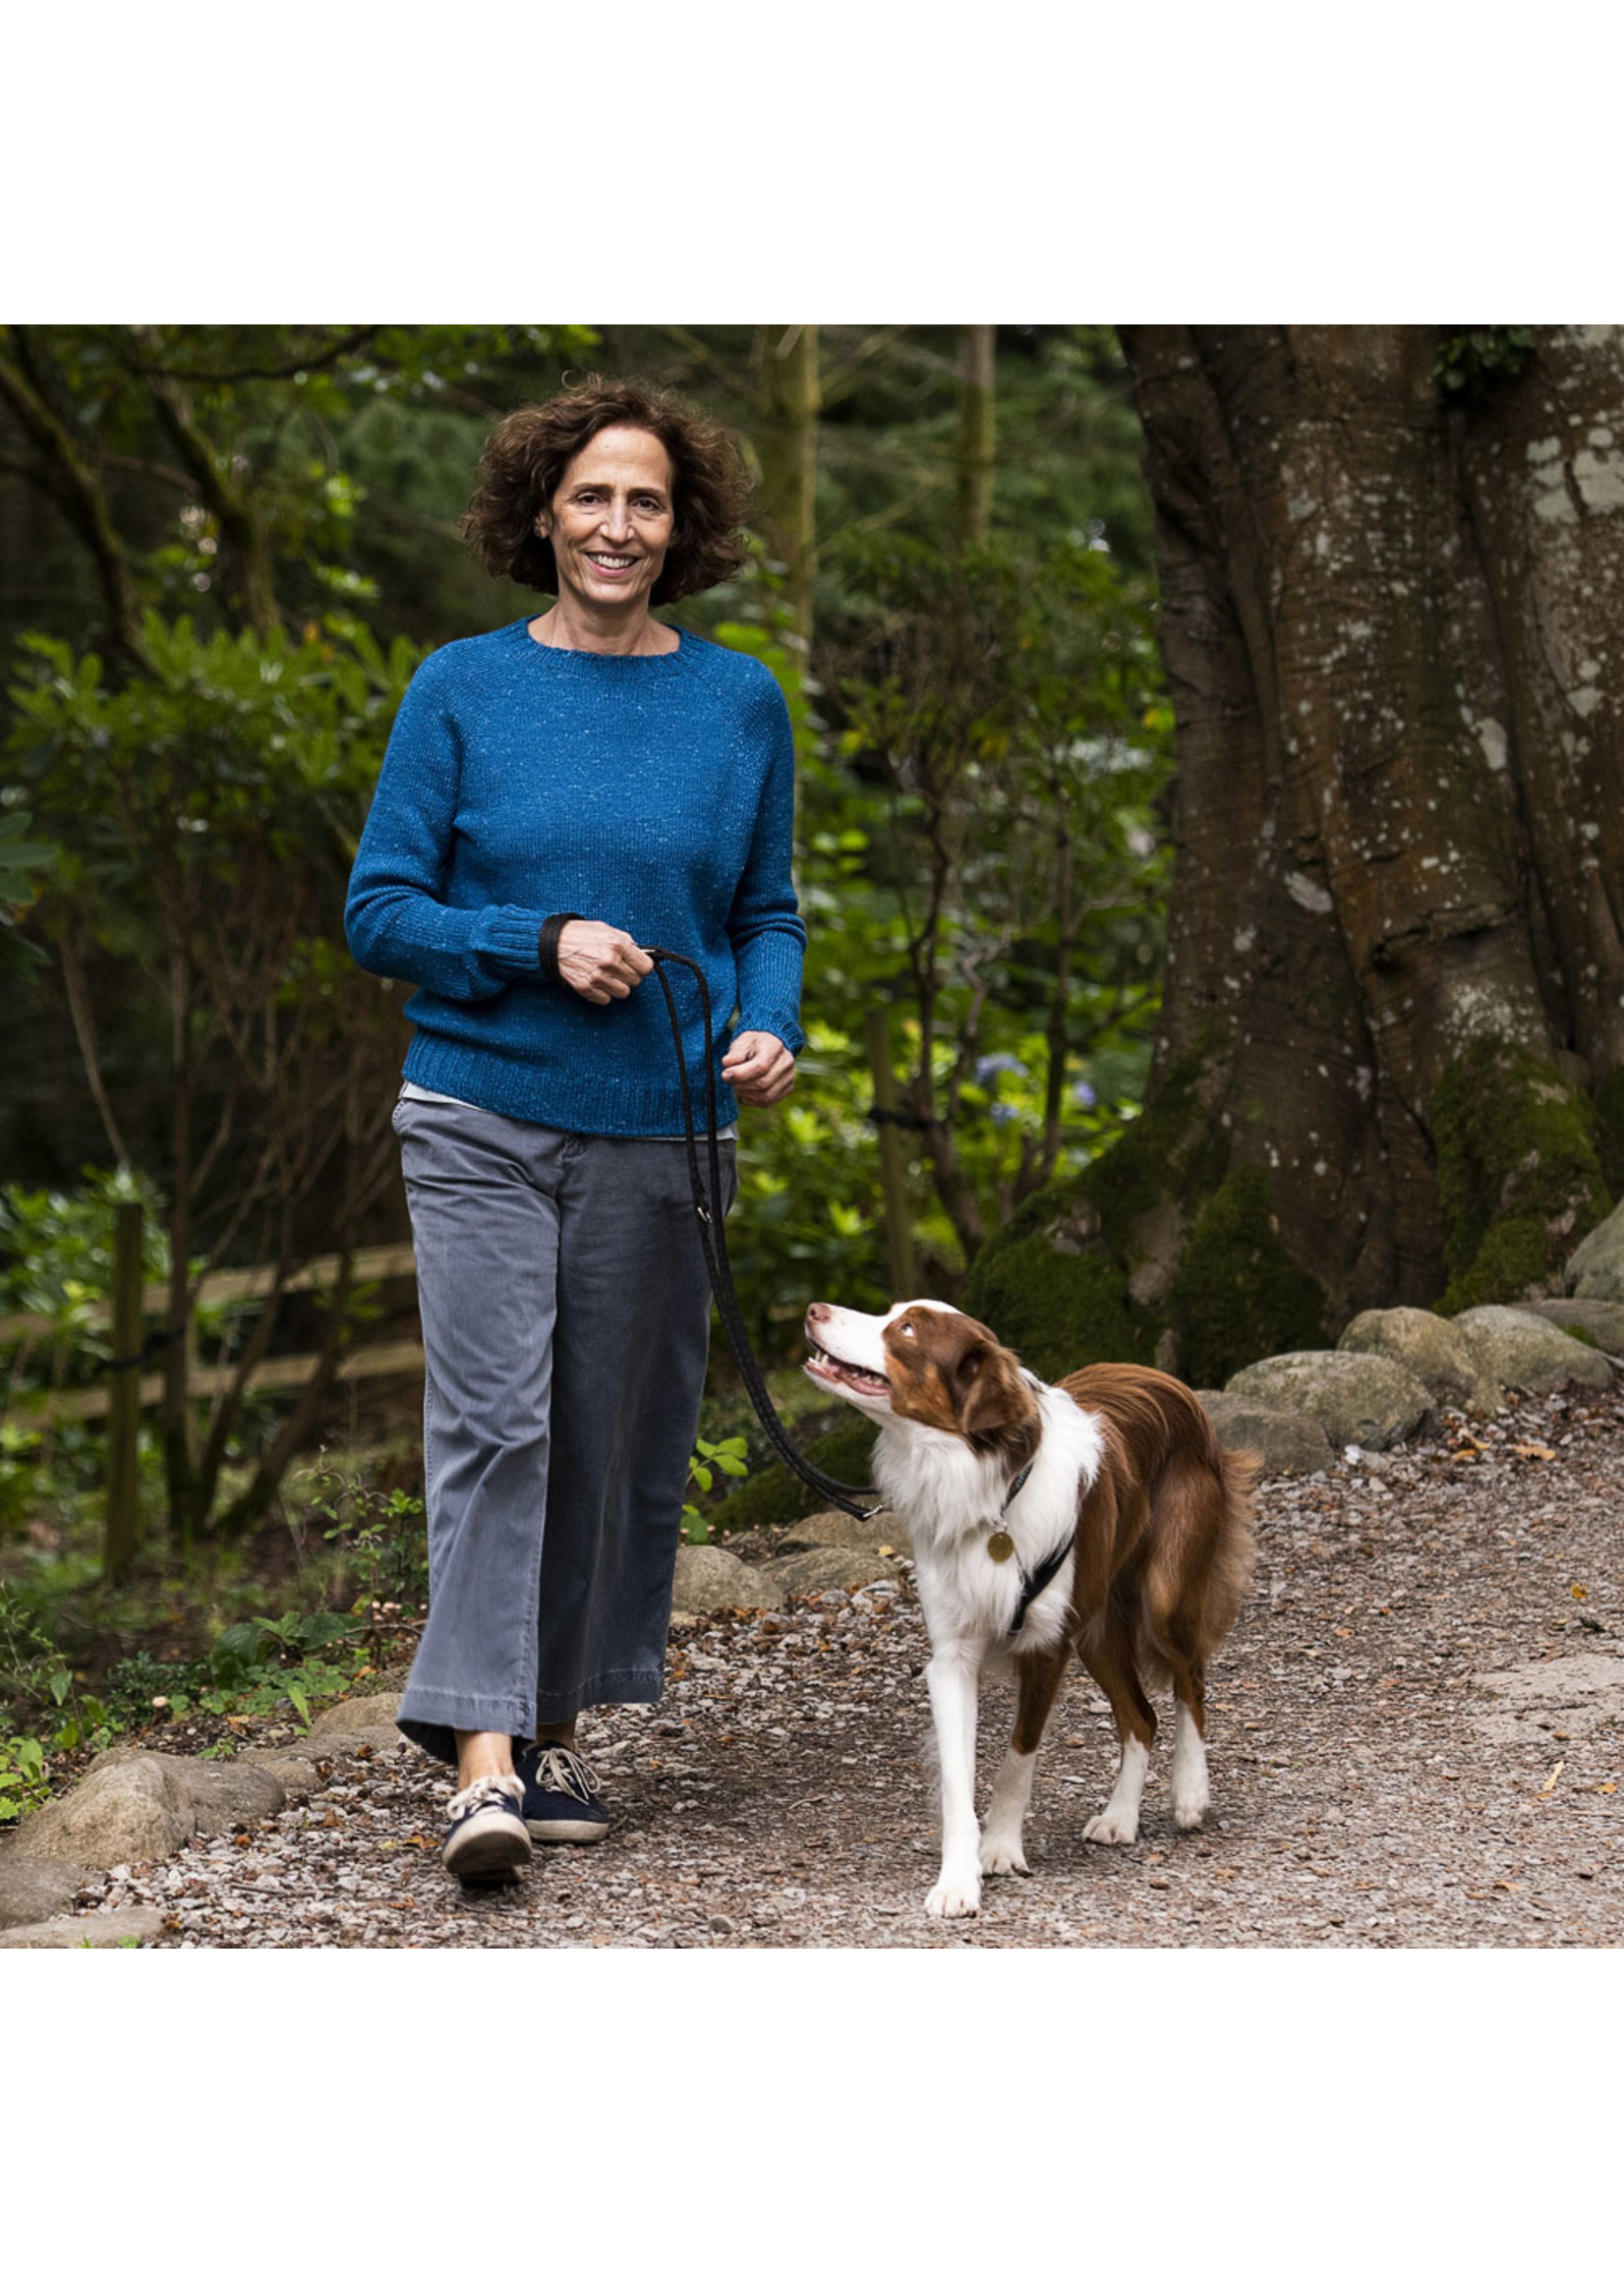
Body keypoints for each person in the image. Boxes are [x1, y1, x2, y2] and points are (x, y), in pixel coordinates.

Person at [345, 376, 804, 1885]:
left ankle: (545, 1725)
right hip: (478, 1104)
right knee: (499, 1422)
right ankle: (481, 1768)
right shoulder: (459, 689)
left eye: (647, 500)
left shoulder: (737, 702)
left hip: (662, 1124)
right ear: (542, 511)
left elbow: (763, 913)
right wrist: (534, 941)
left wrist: (771, 1018)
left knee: (615, 1440)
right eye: (593, 496)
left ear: (684, 528)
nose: (618, 524)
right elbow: (382, 911)